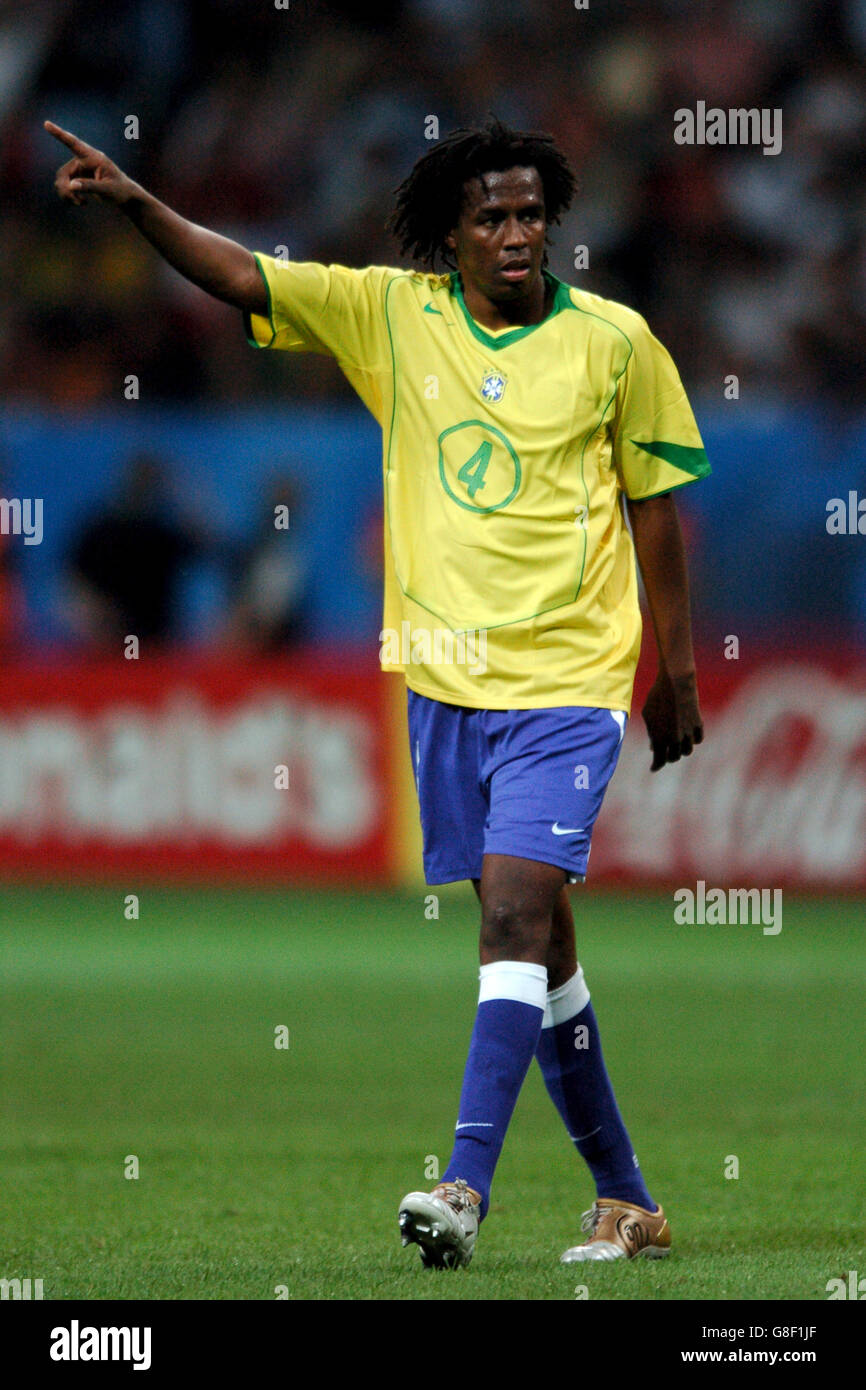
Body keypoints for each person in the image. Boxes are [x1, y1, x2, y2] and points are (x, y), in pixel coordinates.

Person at [46, 115, 710, 1269]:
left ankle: (462, 1183)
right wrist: (140, 204)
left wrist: (677, 667)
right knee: (537, 947)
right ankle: (626, 1200)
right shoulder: (389, 317)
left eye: (530, 213)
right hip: (446, 687)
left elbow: (652, 502)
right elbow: (241, 271)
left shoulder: (615, 343)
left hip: (570, 681)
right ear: (448, 238)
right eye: (491, 217)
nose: (516, 234)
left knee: (509, 912)